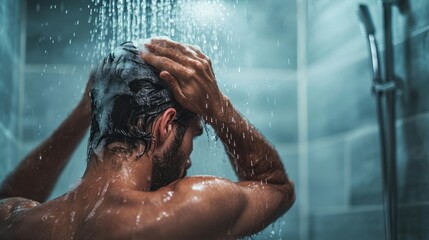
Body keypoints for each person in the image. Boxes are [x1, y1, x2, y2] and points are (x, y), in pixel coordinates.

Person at [0, 38, 295, 239]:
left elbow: (8, 193)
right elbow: (275, 185)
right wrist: (217, 106)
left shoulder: (15, 217)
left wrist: (87, 109)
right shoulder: (189, 207)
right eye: (194, 134)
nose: (190, 157)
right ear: (165, 126)